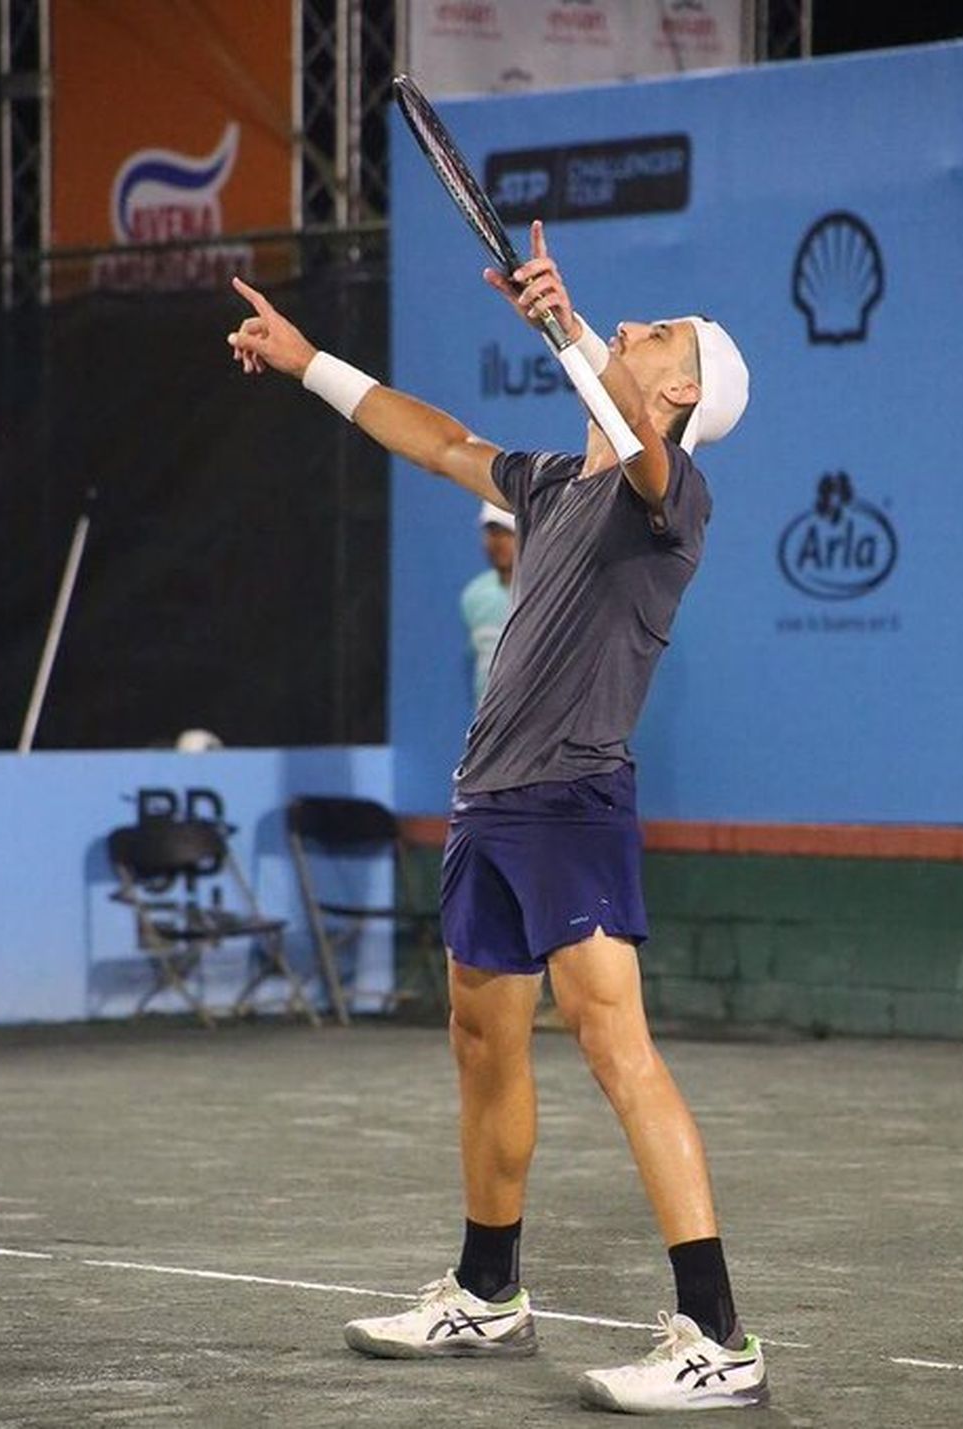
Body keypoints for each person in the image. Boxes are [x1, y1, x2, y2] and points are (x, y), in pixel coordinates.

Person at [226, 219, 763, 1414]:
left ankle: (718, 1333)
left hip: (571, 795)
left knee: (614, 1043)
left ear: (679, 389)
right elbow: (441, 442)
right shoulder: (550, 486)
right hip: (491, 802)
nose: (631, 325)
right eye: (625, 321)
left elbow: (641, 456)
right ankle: (489, 1292)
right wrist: (314, 359)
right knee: (482, 1041)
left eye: (653, 332)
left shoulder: (668, 498)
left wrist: (568, 328)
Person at [461, 502, 516, 705]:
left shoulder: (553, 593)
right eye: (492, 532)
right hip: (488, 728)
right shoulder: (474, 595)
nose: (498, 542)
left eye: (507, 533)